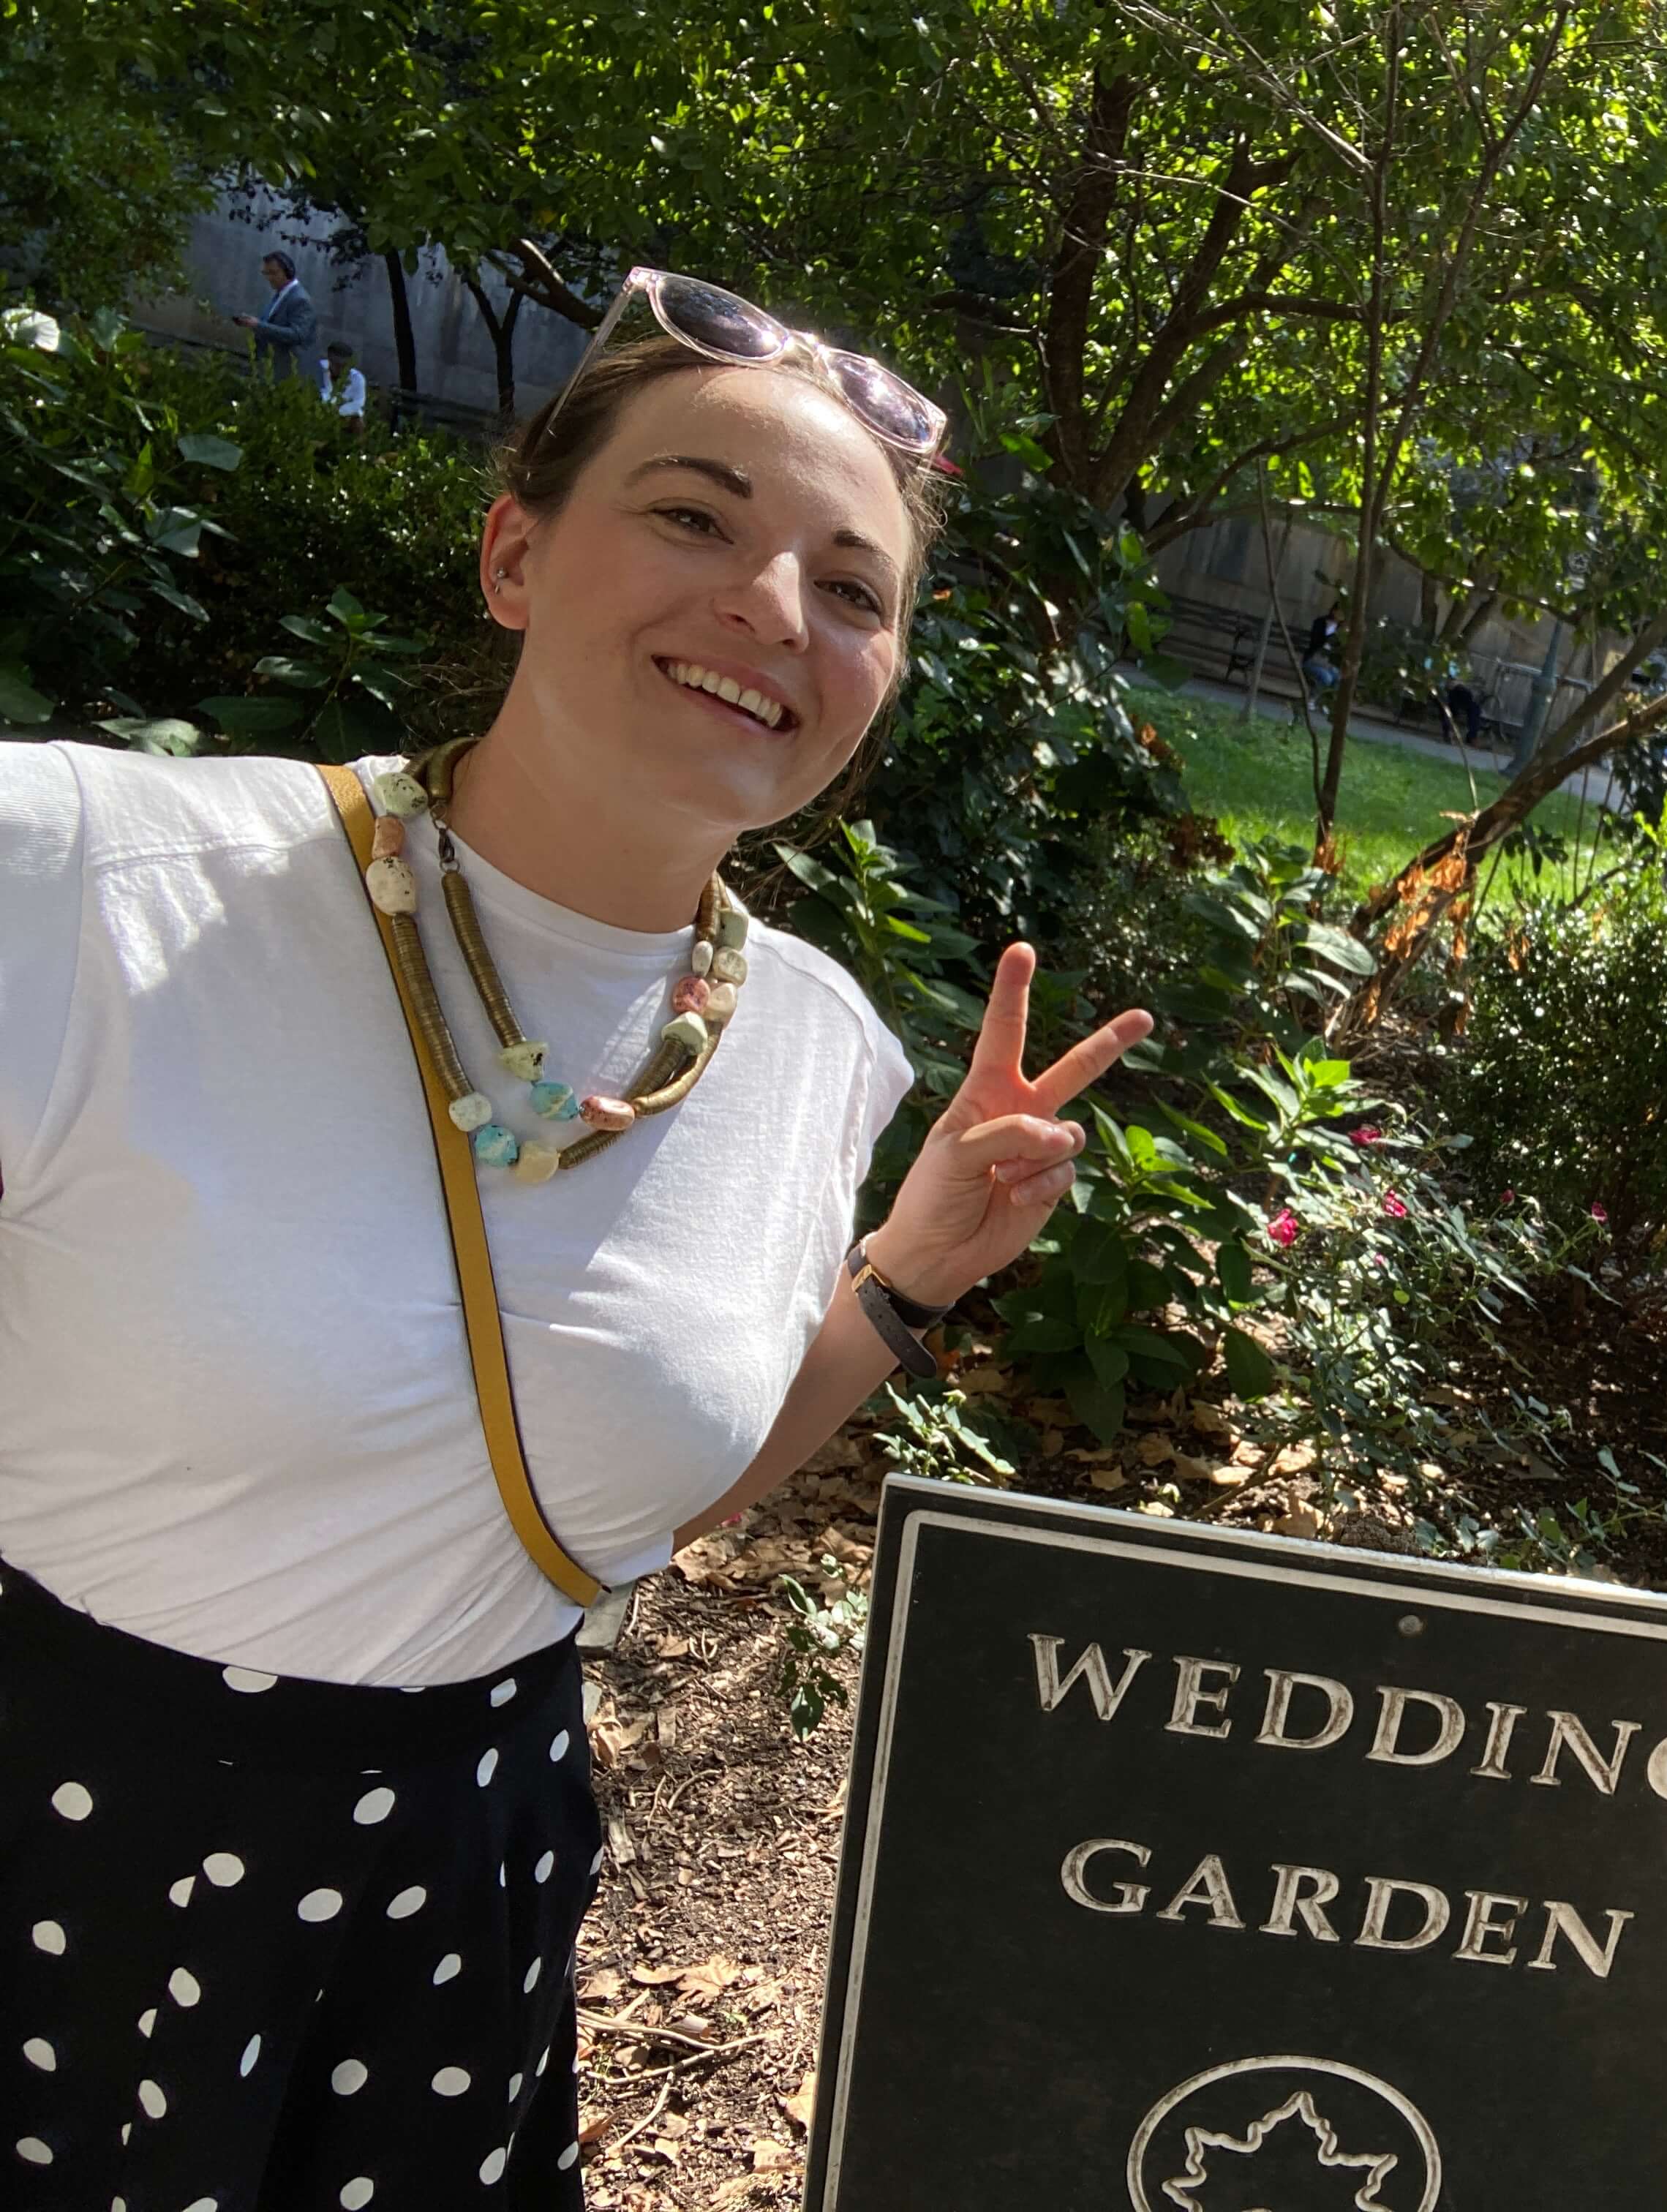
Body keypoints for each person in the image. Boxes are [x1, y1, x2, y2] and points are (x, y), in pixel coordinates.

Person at [0, 270, 1152, 2201]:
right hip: (66, 1831)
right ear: (517, 554)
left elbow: (629, 1500)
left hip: (470, 1868)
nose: (772, 608)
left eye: (853, 589)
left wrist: (909, 1277)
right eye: (695, 516)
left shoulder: (809, 1050)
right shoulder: (91, 891)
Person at [231, 250, 316, 379]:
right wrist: (252, 323)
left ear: (288, 271)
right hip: (270, 369)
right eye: (266, 273)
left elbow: (298, 335)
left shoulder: (300, 299)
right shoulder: (281, 295)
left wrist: (258, 325)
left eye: (273, 273)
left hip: (288, 374)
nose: (269, 278)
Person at [317, 339, 369, 434]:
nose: (340, 369)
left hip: (345, 415)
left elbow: (358, 403)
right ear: (329, 359)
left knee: (359, 422)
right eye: (337, 364)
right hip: (320, 414)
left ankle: (357, 448)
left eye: (344, 365)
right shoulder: (318, 369)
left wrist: (338, 411)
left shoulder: (358, 378)